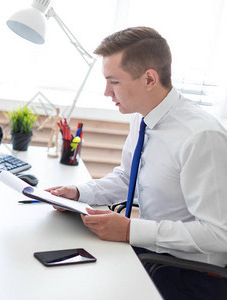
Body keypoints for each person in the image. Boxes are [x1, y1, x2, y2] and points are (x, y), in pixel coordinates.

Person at [46, 26, 227, 299]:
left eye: (114, 82)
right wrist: (79, 193)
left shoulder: (200, 136)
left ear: (150, 79)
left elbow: (218, 234)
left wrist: (131, 229)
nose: (106, 92)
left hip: (191, 274)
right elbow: (128, 178)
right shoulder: (142, 116)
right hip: (155, 255)